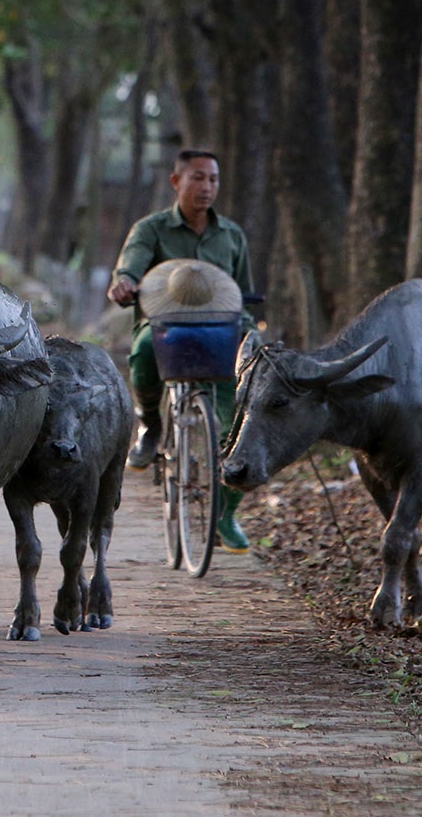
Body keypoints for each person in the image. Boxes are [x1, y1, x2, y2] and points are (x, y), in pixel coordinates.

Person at [106, 149, 257, 554]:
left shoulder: (232, 235)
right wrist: (125, 282)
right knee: (142, 350)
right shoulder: (152, 229)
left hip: (222, 333)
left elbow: (245, 293)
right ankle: (151, 425)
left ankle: (225, 515)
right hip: (166, 330)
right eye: (197, 178)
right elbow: (131, 266)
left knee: (242, 423)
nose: (206, 187)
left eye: (213, 179)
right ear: (177, 182)